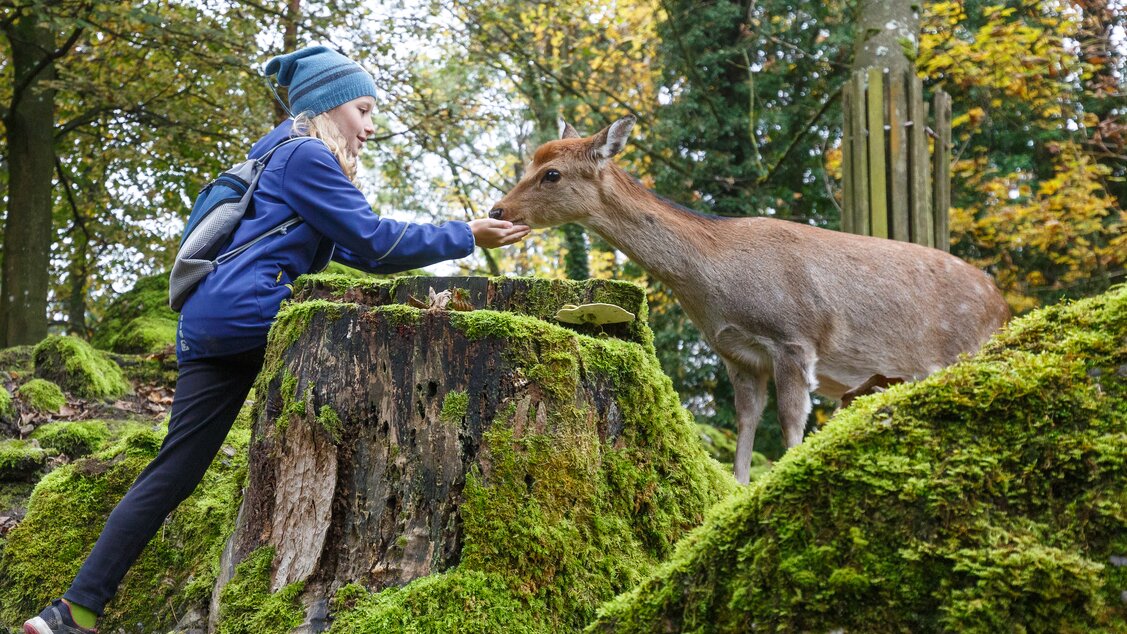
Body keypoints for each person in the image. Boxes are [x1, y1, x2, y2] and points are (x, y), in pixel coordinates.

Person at [23, 44, 529, 634]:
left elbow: (354, 251)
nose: (370, 127)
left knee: (173, 473)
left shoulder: (277, 161)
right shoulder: (306, 157)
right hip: (251, 312)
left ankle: (70, 613)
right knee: (355, 347)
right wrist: (465, 234)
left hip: (208, 323)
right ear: (329, 106)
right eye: (363, 110)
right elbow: (374, 242)